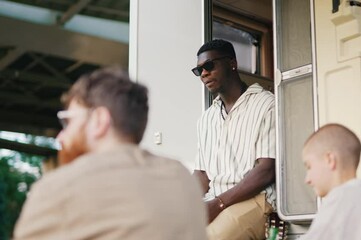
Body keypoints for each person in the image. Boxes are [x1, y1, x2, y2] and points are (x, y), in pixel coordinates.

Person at [13, 67, 208, 240]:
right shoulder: (182, 178)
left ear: (99, 120)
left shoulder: (58, 188)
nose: (61, 136)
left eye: (68, 121)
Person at [191, 39, 276, 240]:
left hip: (257, 200)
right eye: (198, 70)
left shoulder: (266, 104)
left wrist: (218, 203)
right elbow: (201, 175)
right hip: (215, 202)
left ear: (232, 63)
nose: (204, 74)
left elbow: (266, 170)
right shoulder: (207, 118)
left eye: (209, 66)